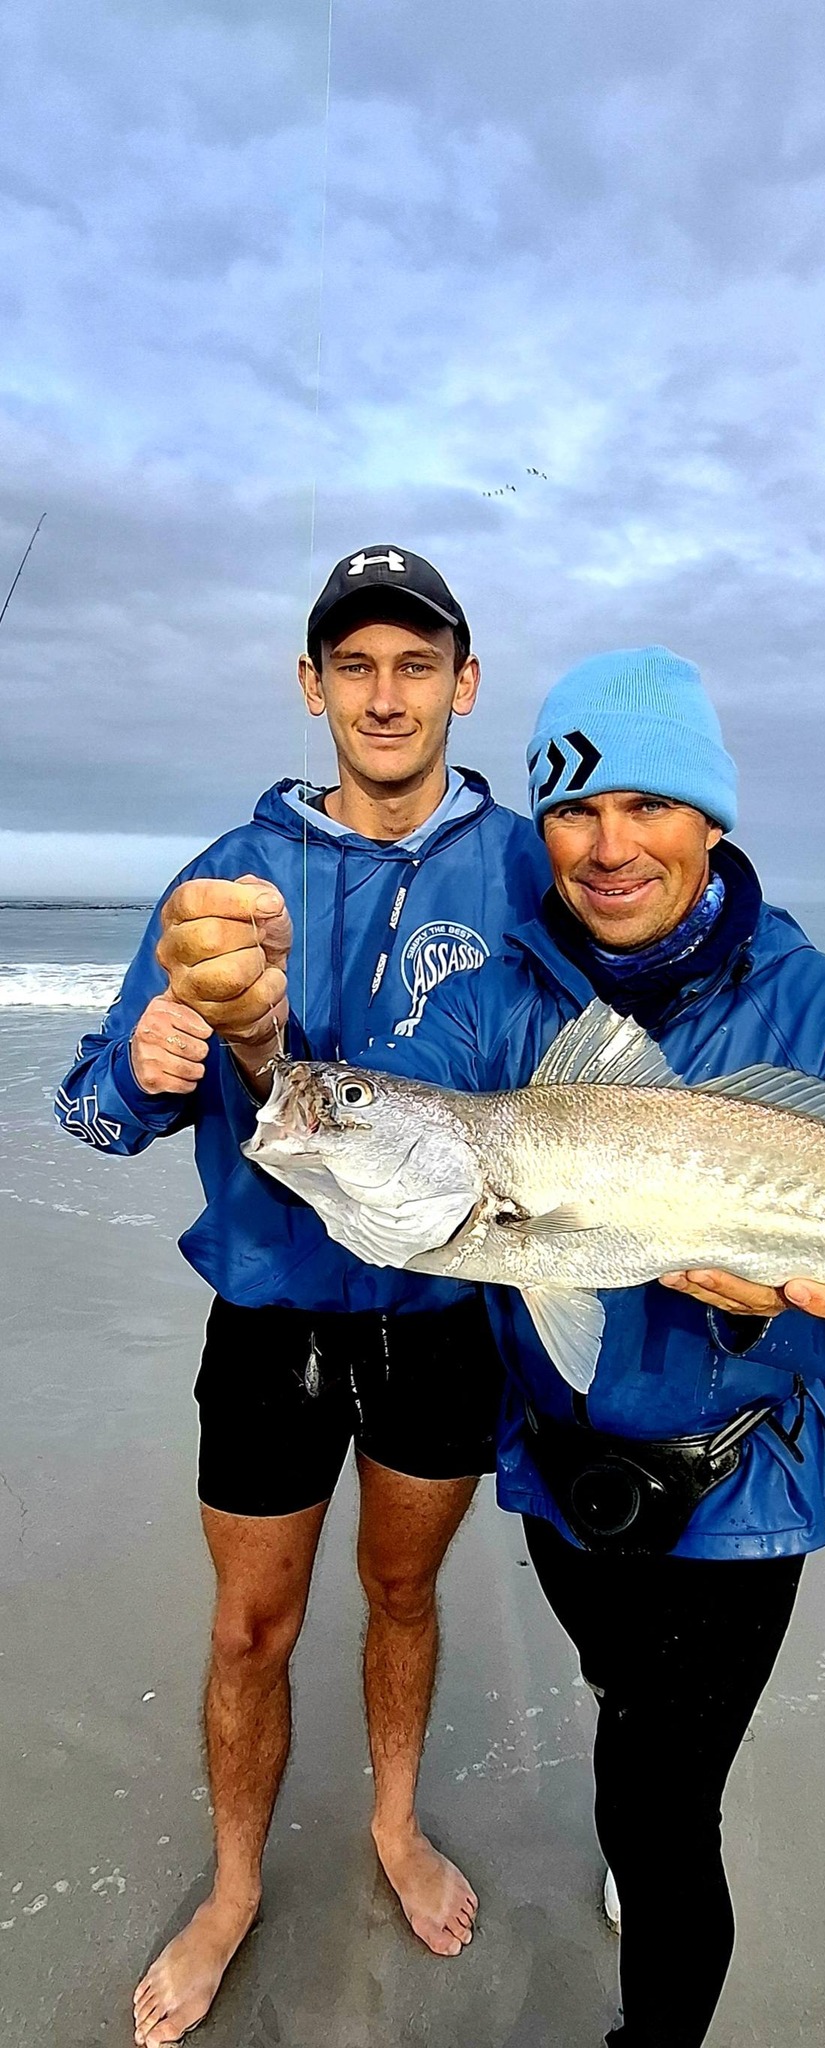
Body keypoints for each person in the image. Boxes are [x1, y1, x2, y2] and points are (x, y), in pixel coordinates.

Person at [362, 646, 825, 2046]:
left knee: (657, 1806)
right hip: (559, 1470)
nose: (610, 846)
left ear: (710, 818)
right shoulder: (492, 1003)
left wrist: (766, 1305)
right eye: (574, 810)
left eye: (648, 804)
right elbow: (407, 1148)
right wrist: (248, 1042)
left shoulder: (824, 1008)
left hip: (737, 1488)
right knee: (614, 1688)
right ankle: (636, 1770)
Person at [54, 546, 548, 2048]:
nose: (386, 696)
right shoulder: (228, 871)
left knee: (403, 1593)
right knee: (251, 1630)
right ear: (311, 685)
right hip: (270, 1314)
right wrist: (143, 1072)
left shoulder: (528, 871)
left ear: (465, 685)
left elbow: (628, 1046)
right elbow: (89, 1106)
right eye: (356, 667)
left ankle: (393, 1823)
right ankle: (231, 1889)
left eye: (416, 666)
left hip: (444, 1316)